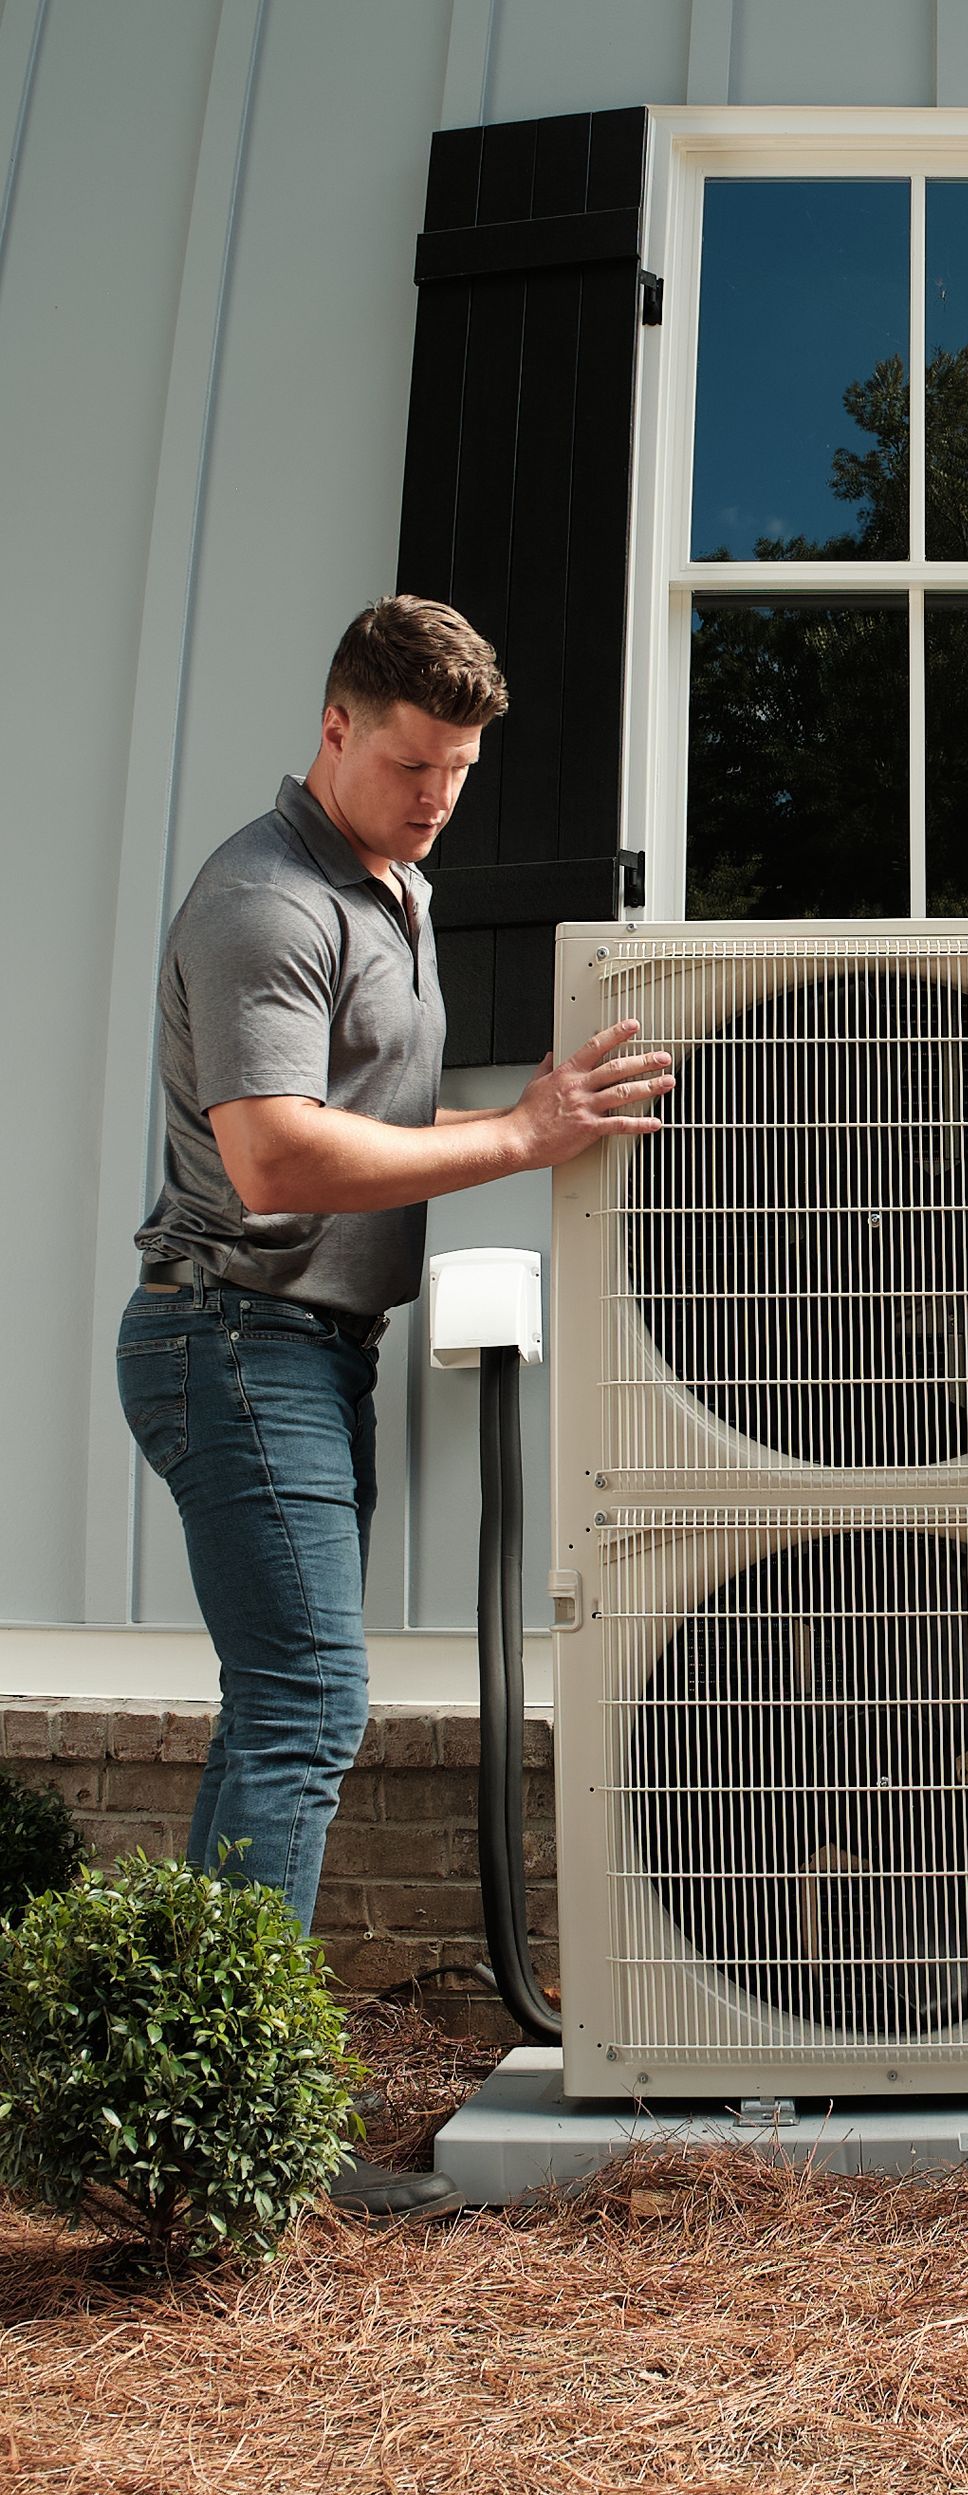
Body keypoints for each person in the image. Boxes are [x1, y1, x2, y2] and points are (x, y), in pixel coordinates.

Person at [119, 595, 673, 2217]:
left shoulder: (393, 884)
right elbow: (275, 1155)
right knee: (305, 1708)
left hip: (307, 1344)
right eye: (414, 761)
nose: (438, 796)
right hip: (234, 1330)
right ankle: (231, 2136)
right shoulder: (262, 902)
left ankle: (216, 2116)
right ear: (335, 727)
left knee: (288, 1708)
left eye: (462, 770)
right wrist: (524, 1134)